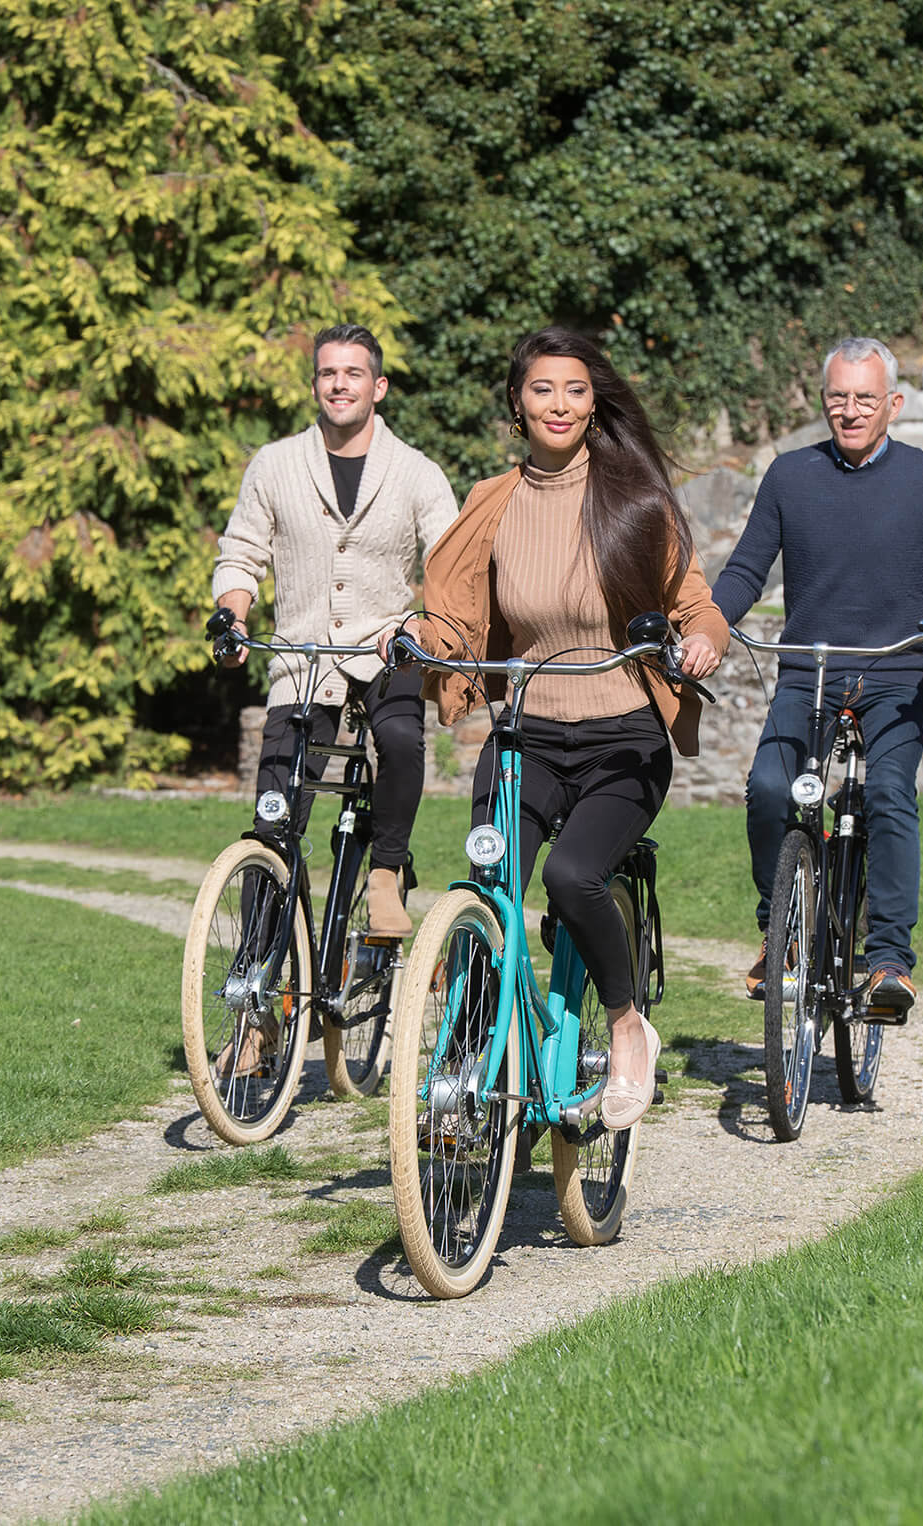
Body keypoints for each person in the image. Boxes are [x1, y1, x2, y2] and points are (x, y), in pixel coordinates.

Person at [388, 325, 727, 1130]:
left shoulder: (633, 498)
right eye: (543, 389)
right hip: (527, 739)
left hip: (623, 741)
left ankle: (624, 1022)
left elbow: (695, 601)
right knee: (487, 892)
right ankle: (469, 1073)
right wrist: (410, 635)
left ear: (593, 400)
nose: (560, 404)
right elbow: (456, 623)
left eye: (576, 390)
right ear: (517, 404)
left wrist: (705, 637)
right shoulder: (489, 506)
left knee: (572, 878)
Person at [712, 335, 923, 1018]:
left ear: (892, 403)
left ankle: (889, 959)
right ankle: (783, 932)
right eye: (839, 398)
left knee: (889, 794)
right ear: (824, 401)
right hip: (811, 670)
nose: (851, 410)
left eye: (865, 398)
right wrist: (710, 621)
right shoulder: (790, 475)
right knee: (771, 788)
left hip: (896, 673)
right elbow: (747, 568)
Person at [212, 322, 458, 959]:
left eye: (353, 373)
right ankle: (258, 997)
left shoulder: (417, 473)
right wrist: (233, 616)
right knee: (272, 822)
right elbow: (240, 556)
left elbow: (453, 566)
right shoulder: (274, 464)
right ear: (314, 384)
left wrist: (423, 625)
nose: (339, 384)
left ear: (379, 387)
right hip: (301, 657)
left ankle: (387, 870)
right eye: (327, 373)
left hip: (389, 647)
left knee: (401, 738)